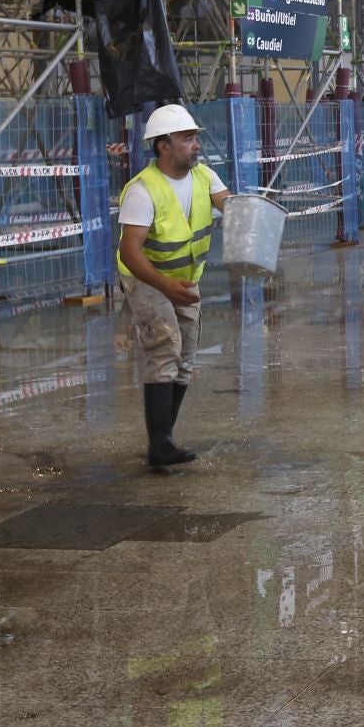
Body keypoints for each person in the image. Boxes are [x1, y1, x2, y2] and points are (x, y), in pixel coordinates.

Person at [118, 103, 229, 468]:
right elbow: (130, 253)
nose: (196, 144)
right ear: (163, 146)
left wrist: (257, 215)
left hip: (184, 279)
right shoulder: (142, 191)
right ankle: (161, 443)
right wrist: (164, 284)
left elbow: (233, 208)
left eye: (195, 137)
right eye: (187, 138)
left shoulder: (205, 178)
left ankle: (165, 438)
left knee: (185, 358)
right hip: (147, 278)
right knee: (165, 348)